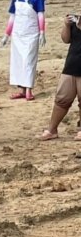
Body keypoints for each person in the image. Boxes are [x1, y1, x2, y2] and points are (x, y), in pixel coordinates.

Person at [0, 0, 46, 101]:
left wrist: (42, 32)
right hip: (18, 34)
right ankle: (21, 89)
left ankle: (29, 89)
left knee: (29, 60)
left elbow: (40, 15)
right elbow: (12, 17)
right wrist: (6, 35)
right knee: (18, 61)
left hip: (32, 34)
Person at [39, 13, 81, 141]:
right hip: (71, 65)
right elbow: (65, 39)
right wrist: (67, 26)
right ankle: (52, 129)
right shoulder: (76, 21)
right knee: (62, 99)